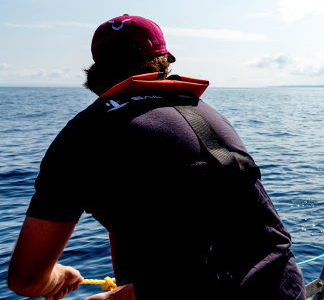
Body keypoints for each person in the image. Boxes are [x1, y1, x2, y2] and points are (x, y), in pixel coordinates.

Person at [7, 15, 305, 300]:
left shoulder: (84, 133)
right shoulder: (207, 114)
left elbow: (27, 279)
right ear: (165, 65)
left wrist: (56, 276)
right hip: (282, 287)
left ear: (97, 69)